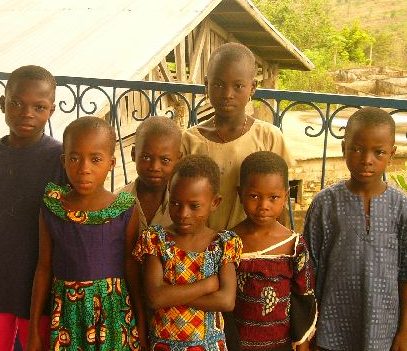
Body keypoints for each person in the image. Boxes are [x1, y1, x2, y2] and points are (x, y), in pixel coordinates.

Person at [303, 107, 407, 351]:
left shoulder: (403, 208)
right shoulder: (324, 204)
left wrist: (404, 332)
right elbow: (309, 272)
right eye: (357, 149)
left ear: (392, 154)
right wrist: (309, 329)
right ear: (343, 148)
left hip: (383, 331)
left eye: (378, 152)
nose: (366, 159)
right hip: (330, 328)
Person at [0, 65, 64, 350]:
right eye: (16, 103)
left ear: (51, 111)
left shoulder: (62, 160)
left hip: (43, 293)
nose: (26, 113)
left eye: (38, 106)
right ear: (3, 103)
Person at [26, 116, 147, 350]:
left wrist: (141, 326)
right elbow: (43, 268)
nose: (84, 169)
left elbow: (132, 271)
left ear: (111, 163)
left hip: (113, 317)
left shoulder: (124, 210)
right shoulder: (54, 208)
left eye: (96, 159)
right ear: (63, 161)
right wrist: (33, 330)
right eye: (74, 158)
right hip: (69, 319)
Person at [133, 155, 243, 350]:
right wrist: (208, 285)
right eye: (175, 203)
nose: (183, 213)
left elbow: (226, 301)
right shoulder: (156, 240)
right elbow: (154, 298)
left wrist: (171, 294)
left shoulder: (223, 244)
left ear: (215, 202)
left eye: (194, 206)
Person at [182, 42, 295, 231]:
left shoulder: (269, 137)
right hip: (200, 249)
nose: (227, 94)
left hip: (250, 250)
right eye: (218, 84)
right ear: (206, 85)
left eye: (238, 86)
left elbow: (279, 202)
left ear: (252, 87)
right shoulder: (189, 141)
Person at [230, 151, 316, 351]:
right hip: (236, 344)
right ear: (239, 194)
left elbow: (302, 298)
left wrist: (302, 346)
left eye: (273, 197)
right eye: (254, 196)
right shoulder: (228, 242)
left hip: (280, 344)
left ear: (286, 196)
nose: (263, 206)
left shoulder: (293, 246)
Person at [118, 116, 182, 230]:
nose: (154, 167)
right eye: (146, 157)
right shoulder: (116, 202)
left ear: (179, 160)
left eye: (165, 160)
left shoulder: (183, 208)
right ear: (133, 154)